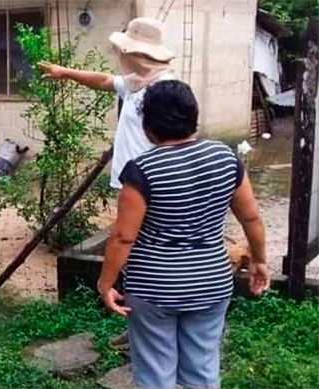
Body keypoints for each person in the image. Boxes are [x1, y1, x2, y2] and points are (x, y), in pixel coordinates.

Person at [98, 80, 270, 389]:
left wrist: (105, 283)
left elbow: (124, 237)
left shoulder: (141, 170)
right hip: (211, 283)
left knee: (155, 375)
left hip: (154, 289)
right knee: (202, 372)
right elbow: (252, 217)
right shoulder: (226, 158)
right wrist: (259, 261)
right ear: (193, 117)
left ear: (148, 126)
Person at [39, 17, 175, 189]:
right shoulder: (137, 81)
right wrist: (65, 72)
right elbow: (105, 81)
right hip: (131, 182)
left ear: (137, 54)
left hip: (148, 186)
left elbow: (173, 145)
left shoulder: (166, 90)